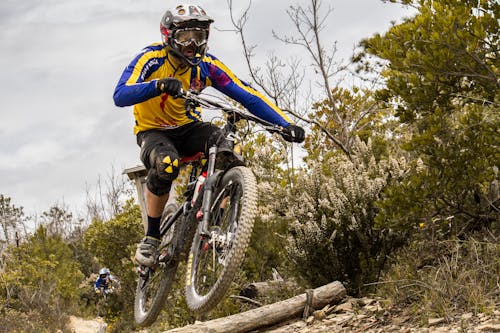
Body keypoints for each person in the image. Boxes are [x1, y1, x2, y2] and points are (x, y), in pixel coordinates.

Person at [113, 4, 305, 267]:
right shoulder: (152, 59)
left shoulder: (207, 66)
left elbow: (246, 95)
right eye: (185, 37)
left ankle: (214, 224)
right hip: (153, 132)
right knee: (166, 165)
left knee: (230, 147)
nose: (192, 44)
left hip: (189, 128)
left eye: (200, 36)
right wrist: (158, 85)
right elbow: (121, 94)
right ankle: (151, 237)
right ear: (168, 36)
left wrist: (283, 125)